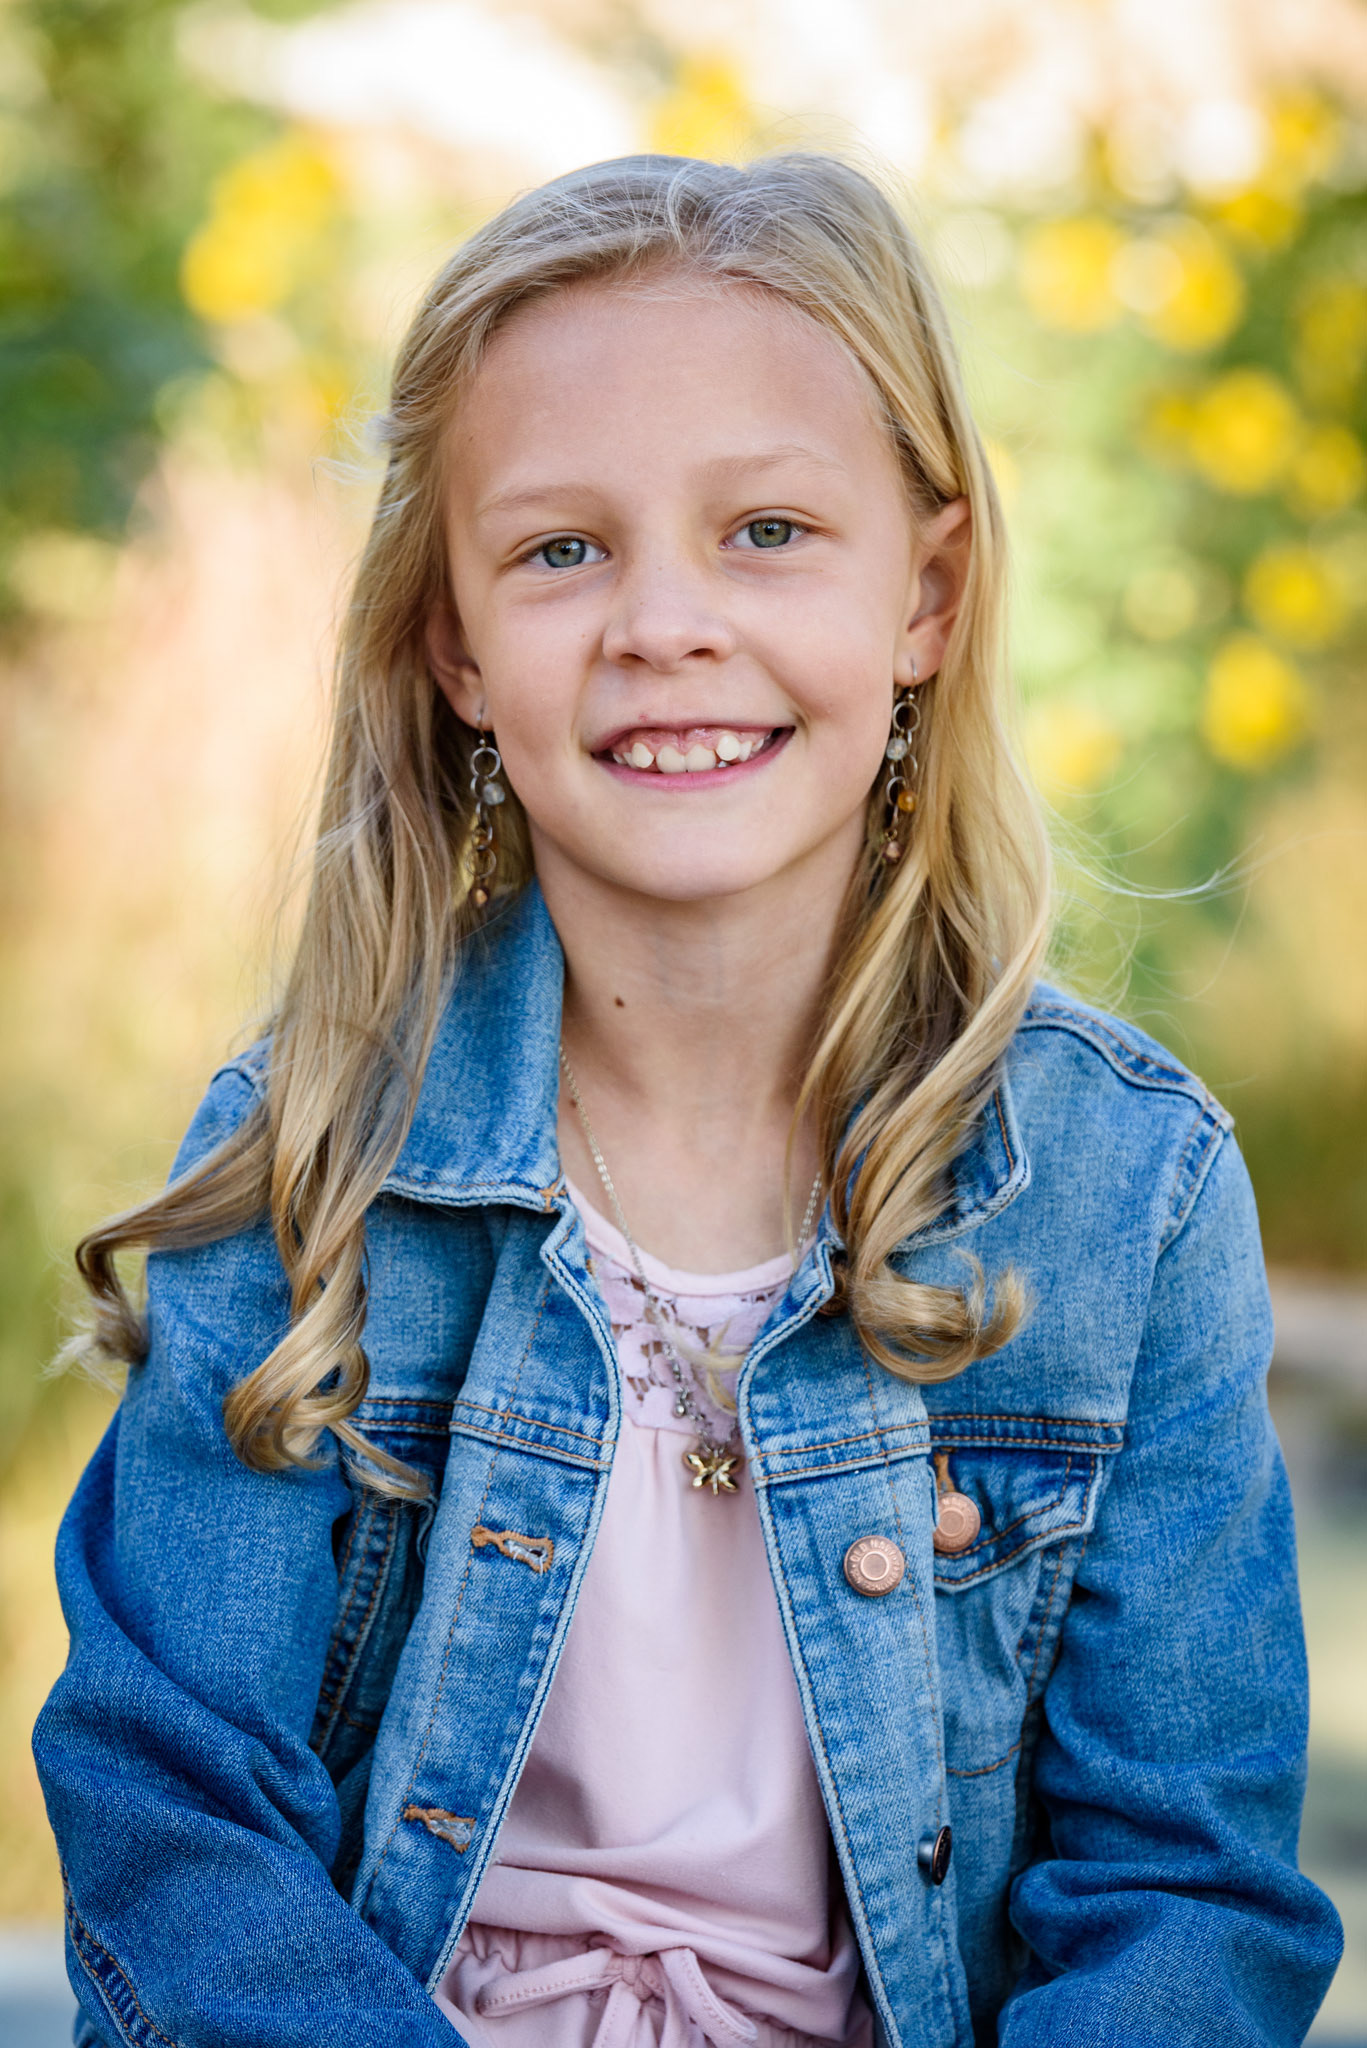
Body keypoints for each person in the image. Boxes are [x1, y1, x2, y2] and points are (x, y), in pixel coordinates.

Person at [35, 152, 1341, 2048]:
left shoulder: (1124, 1193)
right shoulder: (311, 1166)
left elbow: (1186, 1898)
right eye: (561, 550)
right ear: (457, 648)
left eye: (768, 531)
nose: (664, 622)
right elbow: (177, 1821)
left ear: (929, 594)